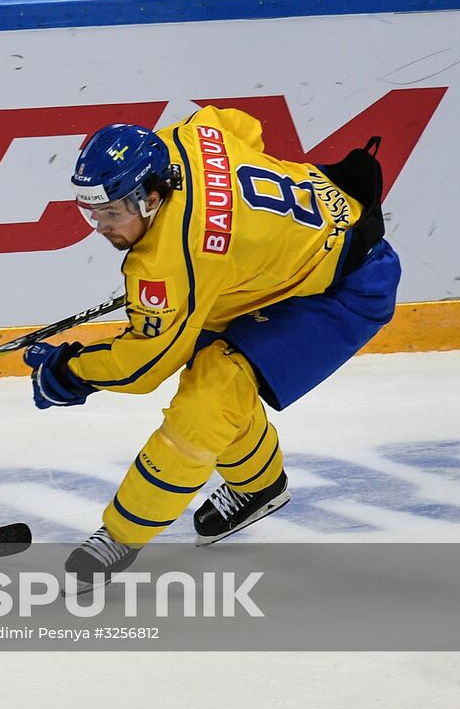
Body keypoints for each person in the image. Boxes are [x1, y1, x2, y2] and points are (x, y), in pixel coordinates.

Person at [22, 108, 400, 590]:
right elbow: (242, 127)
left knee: (211, 391)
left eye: (111, 212)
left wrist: (70, 370)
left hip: (348, 287)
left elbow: (142, 368)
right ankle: (260, 486)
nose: (99, 225)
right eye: (90, 210)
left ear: (151, 197)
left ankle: (121, 537)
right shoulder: (186, 138)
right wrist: (244, 236)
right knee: (214, 372)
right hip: (306, 243)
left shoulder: (169, 261)